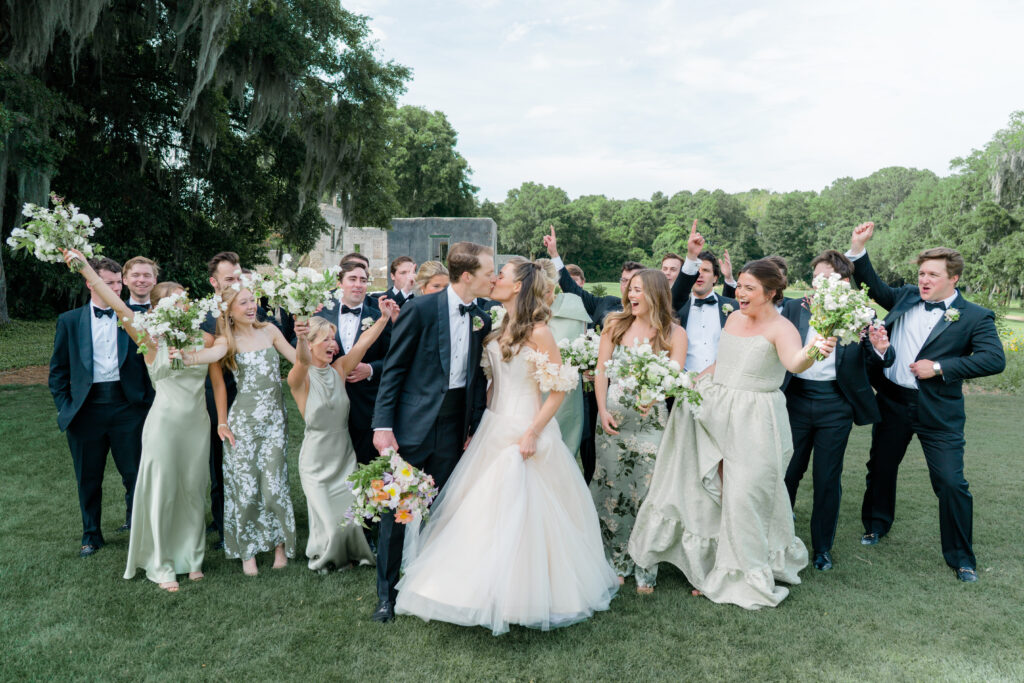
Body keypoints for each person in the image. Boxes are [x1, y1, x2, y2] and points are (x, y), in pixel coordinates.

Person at [393, 259, 619, 635]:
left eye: (503, 275)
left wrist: (532, 432)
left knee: (517, 509)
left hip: (523, 428)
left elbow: (559, 388)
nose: (495, 278)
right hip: (492, 426)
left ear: (518, 287)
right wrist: (476, 426)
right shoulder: (498, 323)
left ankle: (521, 594)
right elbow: (492, 383)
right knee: (477, 508)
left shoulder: (540, 331)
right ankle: (469, 584)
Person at [630, 259, 837, 609]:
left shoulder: (782, 327)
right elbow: (723, 362)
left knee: (745, 494)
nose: (739, 293)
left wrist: (818, 348)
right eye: (739, 285)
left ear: (771, 292)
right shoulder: (733, 317)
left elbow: (795, 362)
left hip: (754, 418)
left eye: (749, 288)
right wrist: (691, 383)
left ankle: (743, 573)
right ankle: (710, 564)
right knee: (710, 489)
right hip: (713, 406)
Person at [62, 248, 230, 590]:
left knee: (193, 490)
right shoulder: (147, 338)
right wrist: (85, 270)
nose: (180, 306)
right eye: (171, 302)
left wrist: (201, 355)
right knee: (164, 492)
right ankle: (162, 563)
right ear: (156, 309)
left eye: (183, 300)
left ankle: (193, 557)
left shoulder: (206, 337)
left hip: (197, 424)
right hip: (164, 424)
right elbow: (119, 305)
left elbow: (221, 352)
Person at [846, 222, 1005, 582]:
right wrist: (858, 248)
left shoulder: (975, 316)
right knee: (881, 467)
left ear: (954, 278)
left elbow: (994, 359)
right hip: (893, 402)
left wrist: (938, 367)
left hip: (940, 411)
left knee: (951, 482)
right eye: (921, 273)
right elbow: (871, 283)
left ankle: (961, 557)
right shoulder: (904, 296)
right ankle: (875, 526)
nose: (924, 279)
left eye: (933, 274)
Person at [369, 241, 496, 623]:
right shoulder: (420, 309)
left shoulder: (483, 318)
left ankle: (434, 587)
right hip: (410, 425)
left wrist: (472, 425)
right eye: (489, 272)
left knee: (443, 509)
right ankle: (386, 597)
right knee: (397, 509)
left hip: (455, 426)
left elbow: (475, 376)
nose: (493, 278)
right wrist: (382, 426)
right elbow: (393, 370)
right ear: (468, 276)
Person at [781, 250, 895, 571]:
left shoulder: (862, 315)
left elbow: (875, 363)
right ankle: (778, 540)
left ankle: (822, 549)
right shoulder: (793, 308)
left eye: (825, 277)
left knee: (827, 479)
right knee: (787, 473)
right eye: (815, 277)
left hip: (836, 404)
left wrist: (881, 349)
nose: (818, 283)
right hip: (796, 400)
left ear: (844, 281)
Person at [48, 255, 154, 558]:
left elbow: (150, 363)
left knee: (135, 474)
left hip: (128, 408)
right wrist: (65, 406)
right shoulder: (69, 321)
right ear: (90, 283)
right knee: (88, 477)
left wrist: (145, 404)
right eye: (108, 283)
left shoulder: (136, 317)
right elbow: (58, 371)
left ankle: (138, 528)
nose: (115, 288)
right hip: (85, 410)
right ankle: (90, 535)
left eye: (118, 282)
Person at [592, 269, 687, 594]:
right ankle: (617, 560)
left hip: (652, 424)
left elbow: (674, 379)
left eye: (639, 291)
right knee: (612, 492)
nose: (632, 296)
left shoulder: (673, 333)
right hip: (612, 424)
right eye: (630, 290)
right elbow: (601, 373)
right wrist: (602, 410)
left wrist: (656, 395)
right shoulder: (614, 326)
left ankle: (646, 565)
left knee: (648, 494)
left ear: (656, 295)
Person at [288, 306, 397, 572]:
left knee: (347, 517)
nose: (332, 345)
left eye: (332, 339)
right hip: (316, 459)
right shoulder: (299, 378)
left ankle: (349, 555)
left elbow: (363, 343)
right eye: (325, 339)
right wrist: (300, 337)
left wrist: (383, 319)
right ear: (311, 344)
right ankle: (325, 556)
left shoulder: (338, 370)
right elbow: (302, 361)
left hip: (343, 454)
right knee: (327, 515)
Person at [543, 225, 644, 484]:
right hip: (600, 389)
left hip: (643, 398)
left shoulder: (659, 317)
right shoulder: (606, 303)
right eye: (624, 281)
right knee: (593, 448)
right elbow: (572, 290)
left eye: (635, 283)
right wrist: (555, 255)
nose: (628, 287)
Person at [212, 284, 299, 576]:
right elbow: (216, 380)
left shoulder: (271, 331)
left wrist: (306, 338)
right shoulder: (226, 342)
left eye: (252, 301)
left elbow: (300, 362)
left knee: (274, 487)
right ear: (229, 311)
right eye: (243, 303)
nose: (251, 307)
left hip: (275, 421)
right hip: (243, 424)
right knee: (246, 489)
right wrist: (222, 421)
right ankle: (247, 550)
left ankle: (280, 545)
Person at [316, 261, 392, 465]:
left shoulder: (379, 317)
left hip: (366, 402)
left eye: (363, 280)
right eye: (352, 279)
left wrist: (370, 369)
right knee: (332, 459)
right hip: (328, 400)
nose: (358, 284)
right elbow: (300, 347)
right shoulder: (320, 313)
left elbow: (393, 359)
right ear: (340, 283)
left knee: (365, 460)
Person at [537, 258, 590, 457]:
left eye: (548, 290)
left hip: (566, 392)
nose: (544, 296)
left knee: (563, 445)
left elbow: (584, 343)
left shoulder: (573, 305)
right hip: (532, 388)